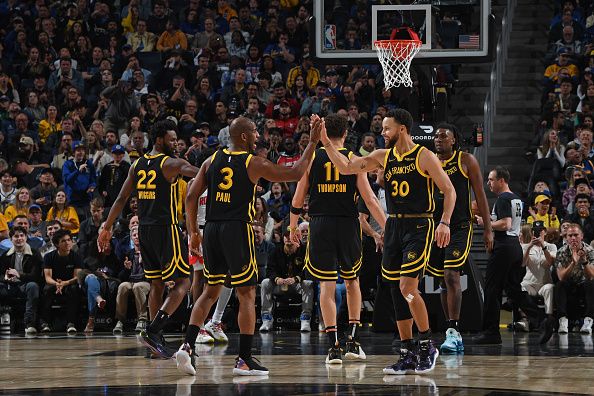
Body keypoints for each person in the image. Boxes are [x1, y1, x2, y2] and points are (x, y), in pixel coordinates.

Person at [175, 115, 321, 376]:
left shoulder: (211, 161)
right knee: (247, 293)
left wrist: (192, 233)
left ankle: (187, 345)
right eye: (254, 132)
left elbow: (190, 195)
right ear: (243, 136)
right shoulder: (252, 163)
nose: (258, 136)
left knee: (210, 291)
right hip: (236, 229)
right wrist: (311, 143)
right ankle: (243, 359)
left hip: (210, 230)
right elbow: (296, 172)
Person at [319, 109, 456, 375]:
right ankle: (407, 352)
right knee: (395, 291)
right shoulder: (383, 157)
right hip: (394, 225)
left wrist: (445, 221)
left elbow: (449, 190)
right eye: (382, 129)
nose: (382, 133)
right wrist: (325, 141)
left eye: (387, 129)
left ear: (402, 129)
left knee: (407, 286)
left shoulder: (424, 156)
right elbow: (347, 167)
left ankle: (427, 344)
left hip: (419, 224)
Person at [288, 113, 386, 364]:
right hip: (347, 224)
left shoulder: (311, 158)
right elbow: (370, 199)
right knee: (353, 281)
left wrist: (292, 227)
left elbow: (298, 199)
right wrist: (387, 225)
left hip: (320, 224)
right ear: (345, 134)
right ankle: (352, 340)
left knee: (327, 285)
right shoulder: (353, 159)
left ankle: (333, 346)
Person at [98, 119, 198, 357]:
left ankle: (155, 344)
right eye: (172, 139)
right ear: (159, 139)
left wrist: (107, 226)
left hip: (144, 230)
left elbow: (121, 199)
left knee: (157, 284)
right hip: (167, 228)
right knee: (184, 283)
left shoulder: (138, 165)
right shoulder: (171, 163)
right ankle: (154, 330)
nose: (176, 143)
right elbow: (198, 174)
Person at [426, 124, 493, 354]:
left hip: (460, 226)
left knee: (451, 274)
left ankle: (454, 331)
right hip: (434, 227)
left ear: (454, 140)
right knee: (443, 281)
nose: (438, 139)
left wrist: (488, 229)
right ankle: (450, 331)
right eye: (436, 136)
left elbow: (480, 194)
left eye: (443, 136)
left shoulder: (466, 161)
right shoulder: (429, 161)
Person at [474, 167, 526, 344]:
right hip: (515, 247)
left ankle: (491, 332)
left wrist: (485, 222)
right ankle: (540, 318)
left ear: (501, 180)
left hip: (504, 245)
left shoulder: (503, 198)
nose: (488, 183)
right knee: (513, 289)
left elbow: (505, 224)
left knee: (492, 289)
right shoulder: (516, 198)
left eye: (491, 179)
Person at [0, 226, 43, 335]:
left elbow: (35, 276)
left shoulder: (34, 254)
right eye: (16, 236)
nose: (19, 238)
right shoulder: (5, 256)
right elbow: (1, 275)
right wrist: (5, 278)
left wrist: (18, 274)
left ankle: (29, 323)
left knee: (33, 286)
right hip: (10, 285)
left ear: (26, 237)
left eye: (21, 236)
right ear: (11, 239)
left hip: (26, 285)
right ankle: (4, 320)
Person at [554, 223, 594, 336]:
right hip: (569, 285)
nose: (573, 238)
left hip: (584, 285)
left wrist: (584, 261)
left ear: (581, 236)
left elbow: (591, 276)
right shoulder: (561, 251)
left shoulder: (590, 251)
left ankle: (588, 321)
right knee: (559, 285)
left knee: (592, 284)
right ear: (566, 237)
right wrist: (573, 262)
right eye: (570, 235)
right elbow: (561, 277)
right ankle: (563, 320)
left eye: (576, 235)